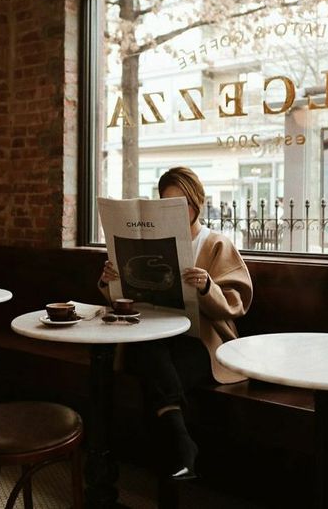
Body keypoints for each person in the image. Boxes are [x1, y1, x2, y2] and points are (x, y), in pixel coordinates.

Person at [98, 166, 253, 481]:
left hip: (202, 342)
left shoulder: (216, 244)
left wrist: (207, 286)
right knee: (148, 352)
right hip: (156, 335)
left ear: (197, 203)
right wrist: (108, 280)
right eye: (167, 203)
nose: (177, 210)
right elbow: (121, 298)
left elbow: (236, 303)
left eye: (182, 203)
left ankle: (171, 453)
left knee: (151, 373)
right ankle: (181, 447)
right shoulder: (151, 243)